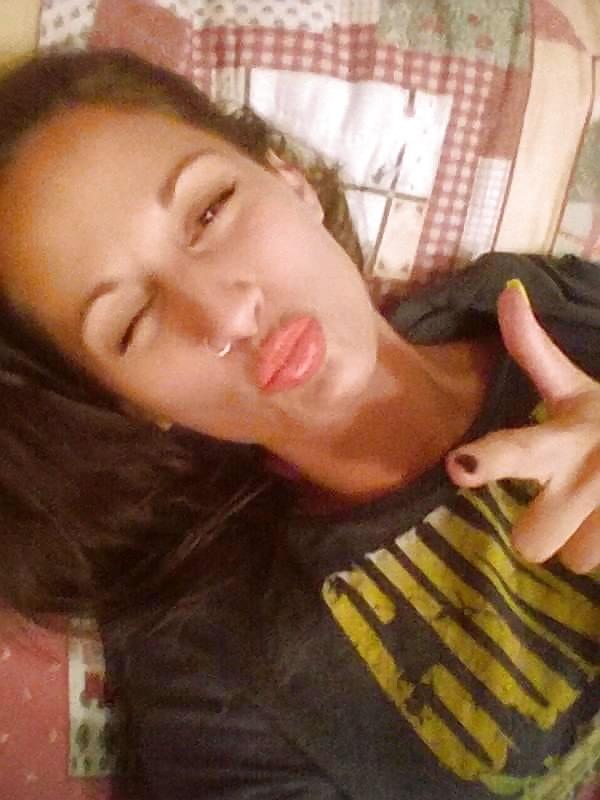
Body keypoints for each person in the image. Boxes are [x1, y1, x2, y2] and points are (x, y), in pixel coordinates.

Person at [0, 49, 597, 799]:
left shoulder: (537, 299)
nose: (225, 313)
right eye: (132, 322)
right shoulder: (210, 666)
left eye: (209, 211)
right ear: (131, 403)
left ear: (289, 180)